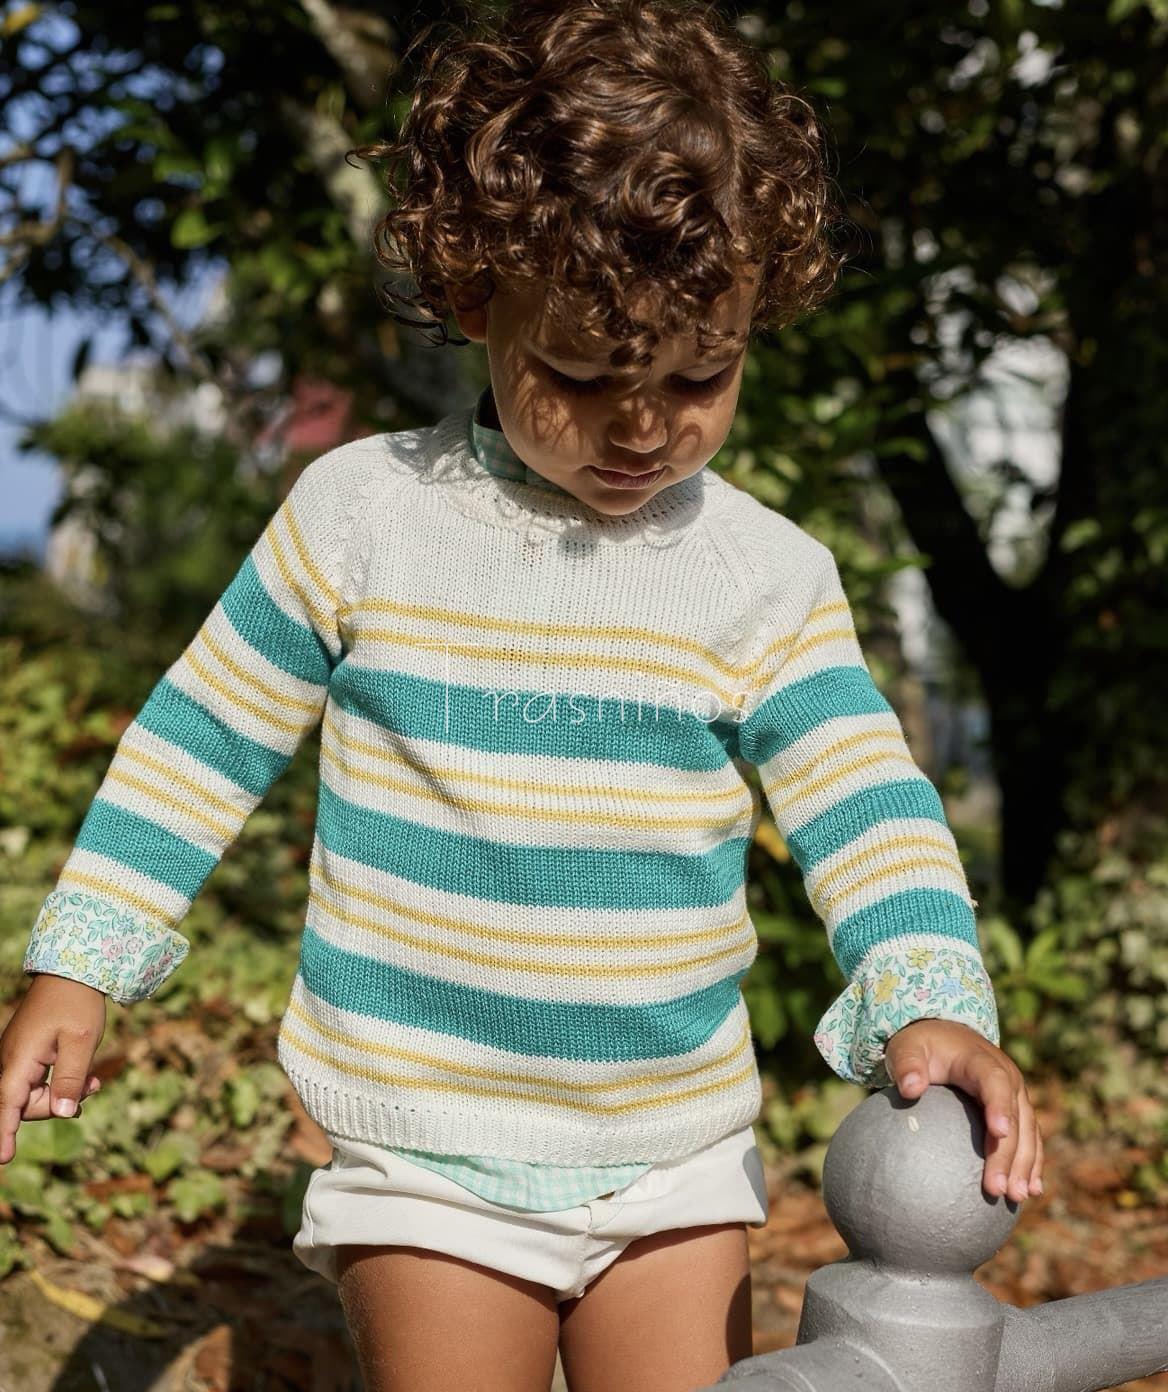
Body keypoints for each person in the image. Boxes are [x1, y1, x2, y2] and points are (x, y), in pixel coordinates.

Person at [0, 2, 1045, 1389]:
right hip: (427, 1150)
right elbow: (202, 737)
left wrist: (930, 994)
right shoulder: (359, 515)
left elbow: (867, 804)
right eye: (582, 372)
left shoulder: (764, 576)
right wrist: (83, 960)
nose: (642, 427)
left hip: (673, 1150)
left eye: (700, 375)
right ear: (477, 294)